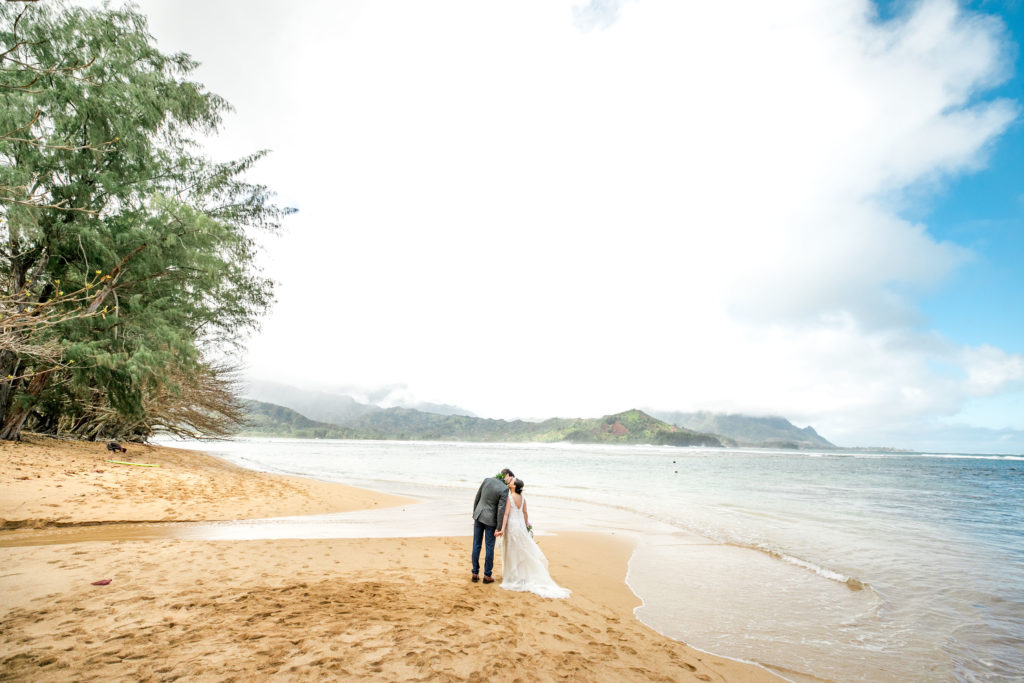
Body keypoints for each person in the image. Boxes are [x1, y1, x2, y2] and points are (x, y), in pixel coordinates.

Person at [496, 477, 570, 598]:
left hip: (512, 526)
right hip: (520, 525)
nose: (510, 482)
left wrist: (502, 529)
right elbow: (525, 513)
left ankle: (512, 577)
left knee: (512, 551)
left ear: (514, 486)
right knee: (521, 550)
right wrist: (526, 526)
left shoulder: (510, 497)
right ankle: (521, 576)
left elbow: (505, 514)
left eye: (512, 481)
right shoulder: (523, 498)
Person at [471, 468, 513, 584]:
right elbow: (500, 510)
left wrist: (475, 513)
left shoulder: (487, 480)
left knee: (476, 545)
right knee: (489, 547)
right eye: (510, 479)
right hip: (490, 521)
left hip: (479, 516)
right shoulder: (504, 489)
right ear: (507, 475)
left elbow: (477, 497)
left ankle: (474, 573)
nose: (510, 482)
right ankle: (487, 575)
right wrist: (499, 527)